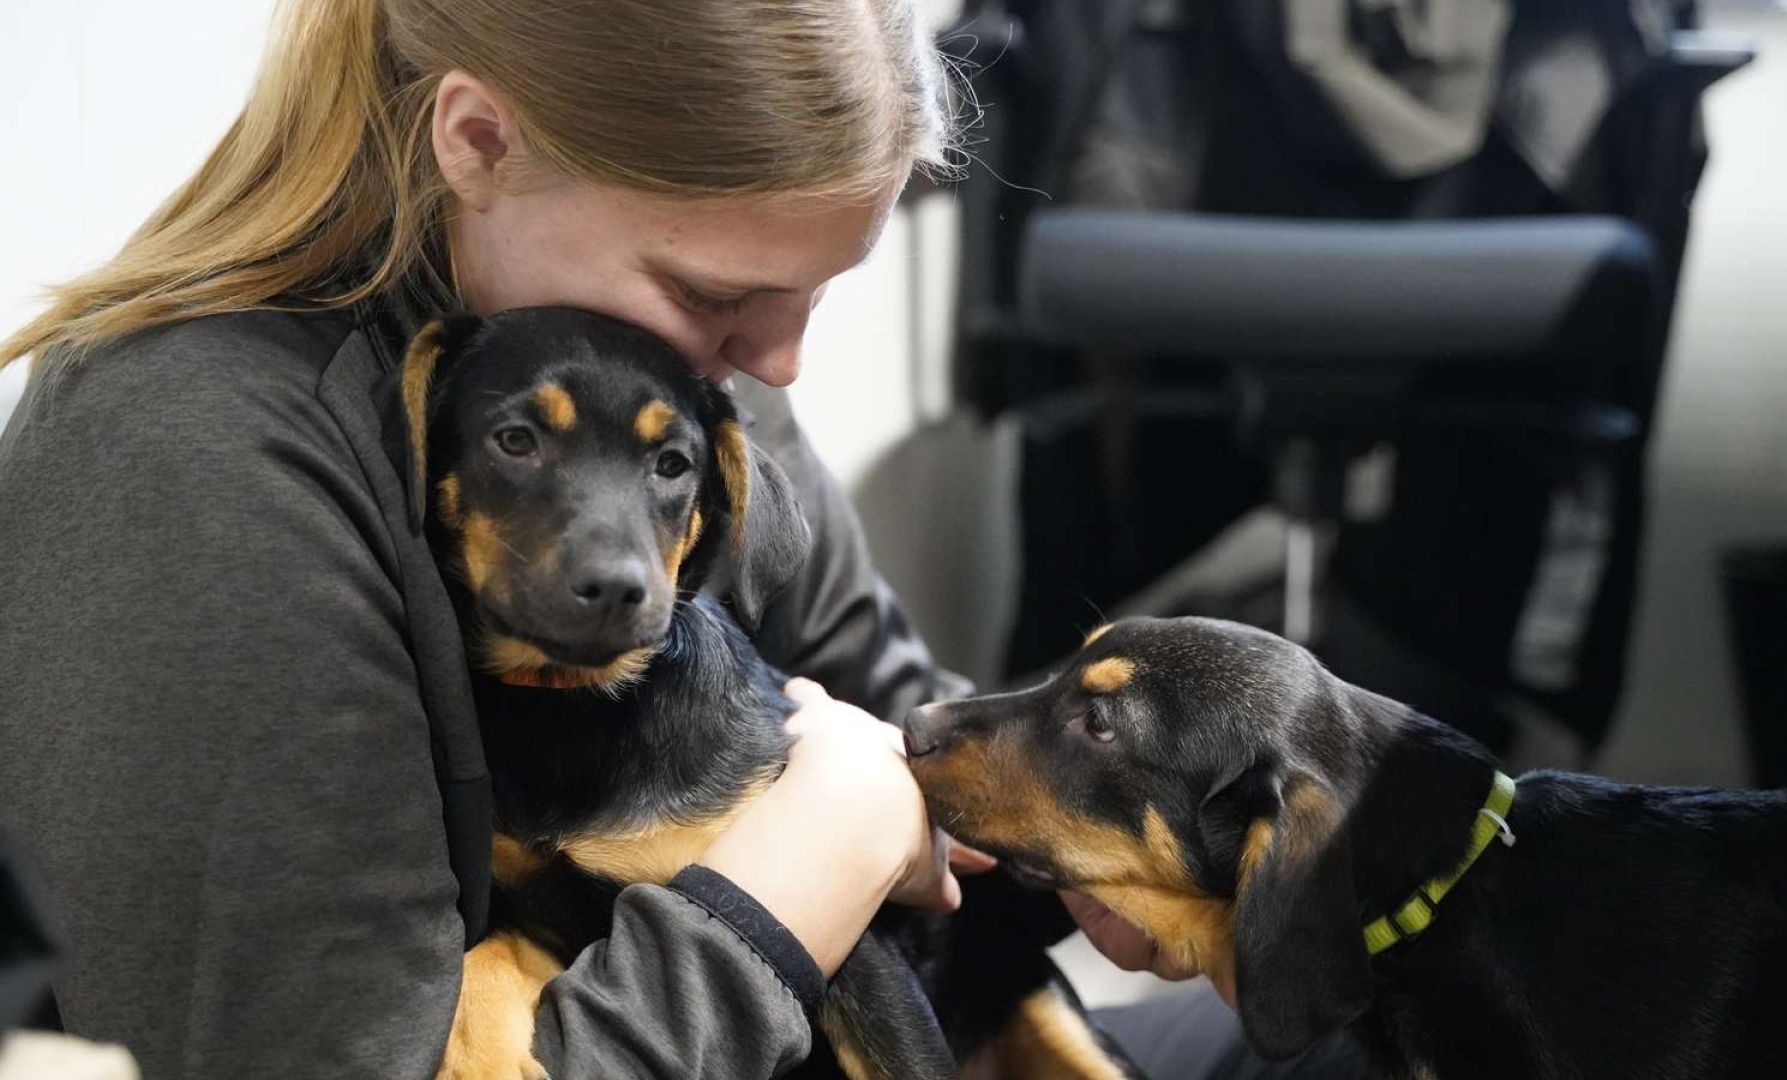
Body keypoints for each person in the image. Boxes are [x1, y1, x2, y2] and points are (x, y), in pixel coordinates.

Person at [0, 1, 1308, 1077]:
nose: (777, 367)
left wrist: (1097, 866)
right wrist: (819, 856)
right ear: (478, 141)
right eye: (722, 294)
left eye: (809, 301)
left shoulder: (666, 383)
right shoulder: (196, 460)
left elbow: (897, 707)